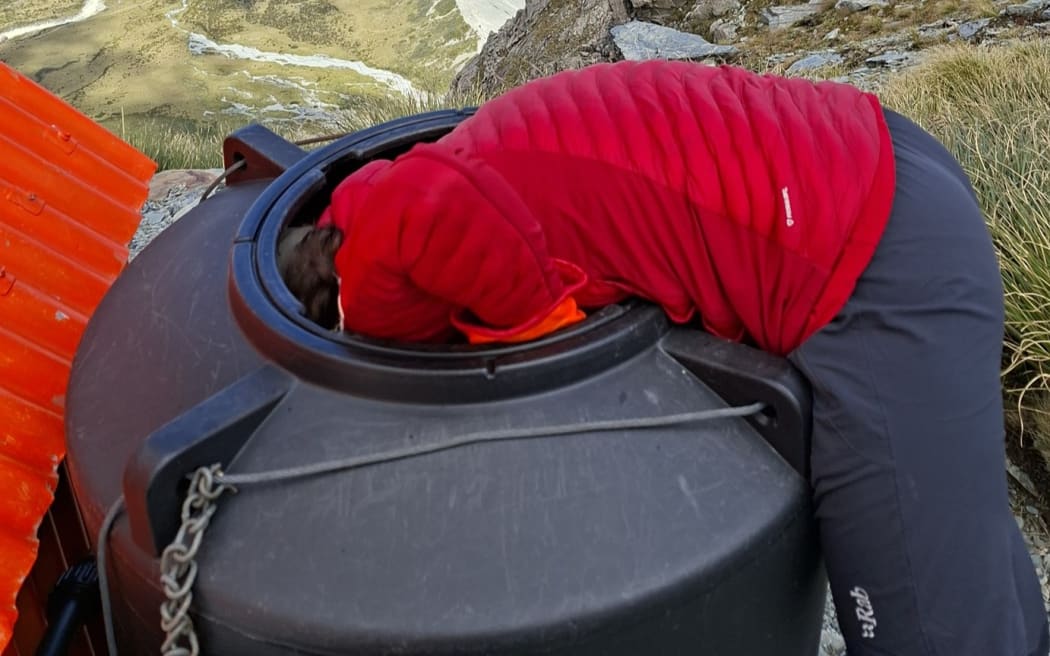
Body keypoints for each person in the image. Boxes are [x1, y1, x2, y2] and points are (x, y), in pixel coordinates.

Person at [280, 60, 1050, 656]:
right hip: (875, 160)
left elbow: (429, 208)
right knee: (966, 574)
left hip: (864, 256)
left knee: (923, 628)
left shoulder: (373, 250)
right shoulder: (453, 156)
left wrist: (538, 328)